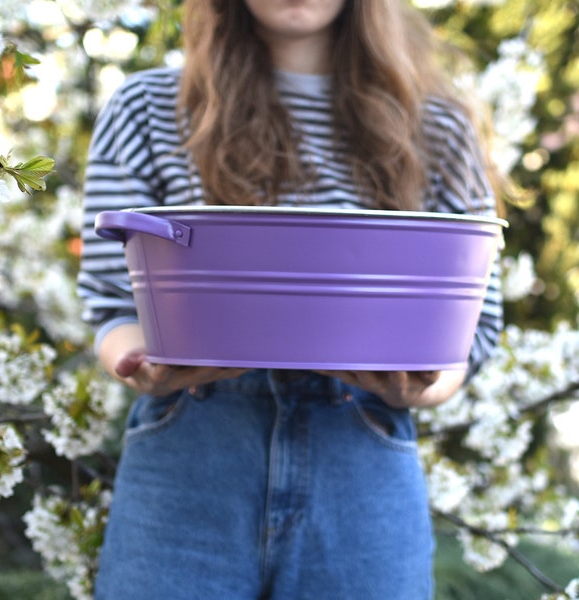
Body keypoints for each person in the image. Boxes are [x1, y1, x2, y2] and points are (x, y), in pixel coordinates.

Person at [78, 1, 503, 598]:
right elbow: (111, 303)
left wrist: (423, 384)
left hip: (360, 456)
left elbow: (474, 325)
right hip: (190, 455)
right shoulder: (147, 108)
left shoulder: (436, 124)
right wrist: (139, 363)